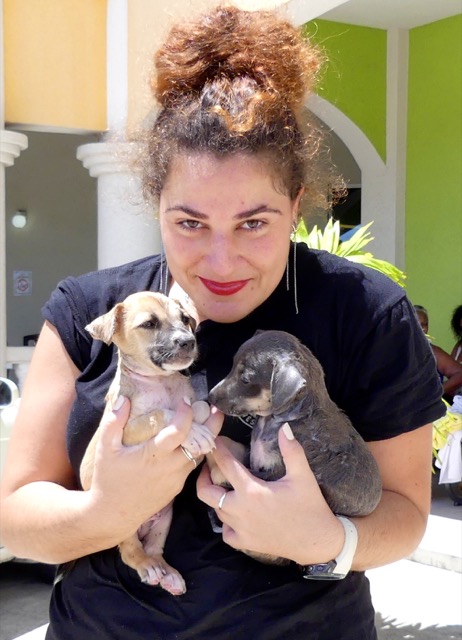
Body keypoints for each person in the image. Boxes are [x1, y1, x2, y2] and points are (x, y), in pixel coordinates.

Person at [0, 6, 445, 640]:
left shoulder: (365, 311)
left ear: (294, 207)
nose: (220, 259)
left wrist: (324, 540)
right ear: (157, 204)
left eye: (254, 223)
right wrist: (107, 512)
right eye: (189, 222)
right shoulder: (90, 311)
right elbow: (15, 515)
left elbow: (406, 514)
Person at [414, 305, 462, 399]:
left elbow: (458, 374)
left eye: (424, 324)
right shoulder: (459, 346)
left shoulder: (432, 351)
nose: (422, 329)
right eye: (417, 324)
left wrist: (435, 392)